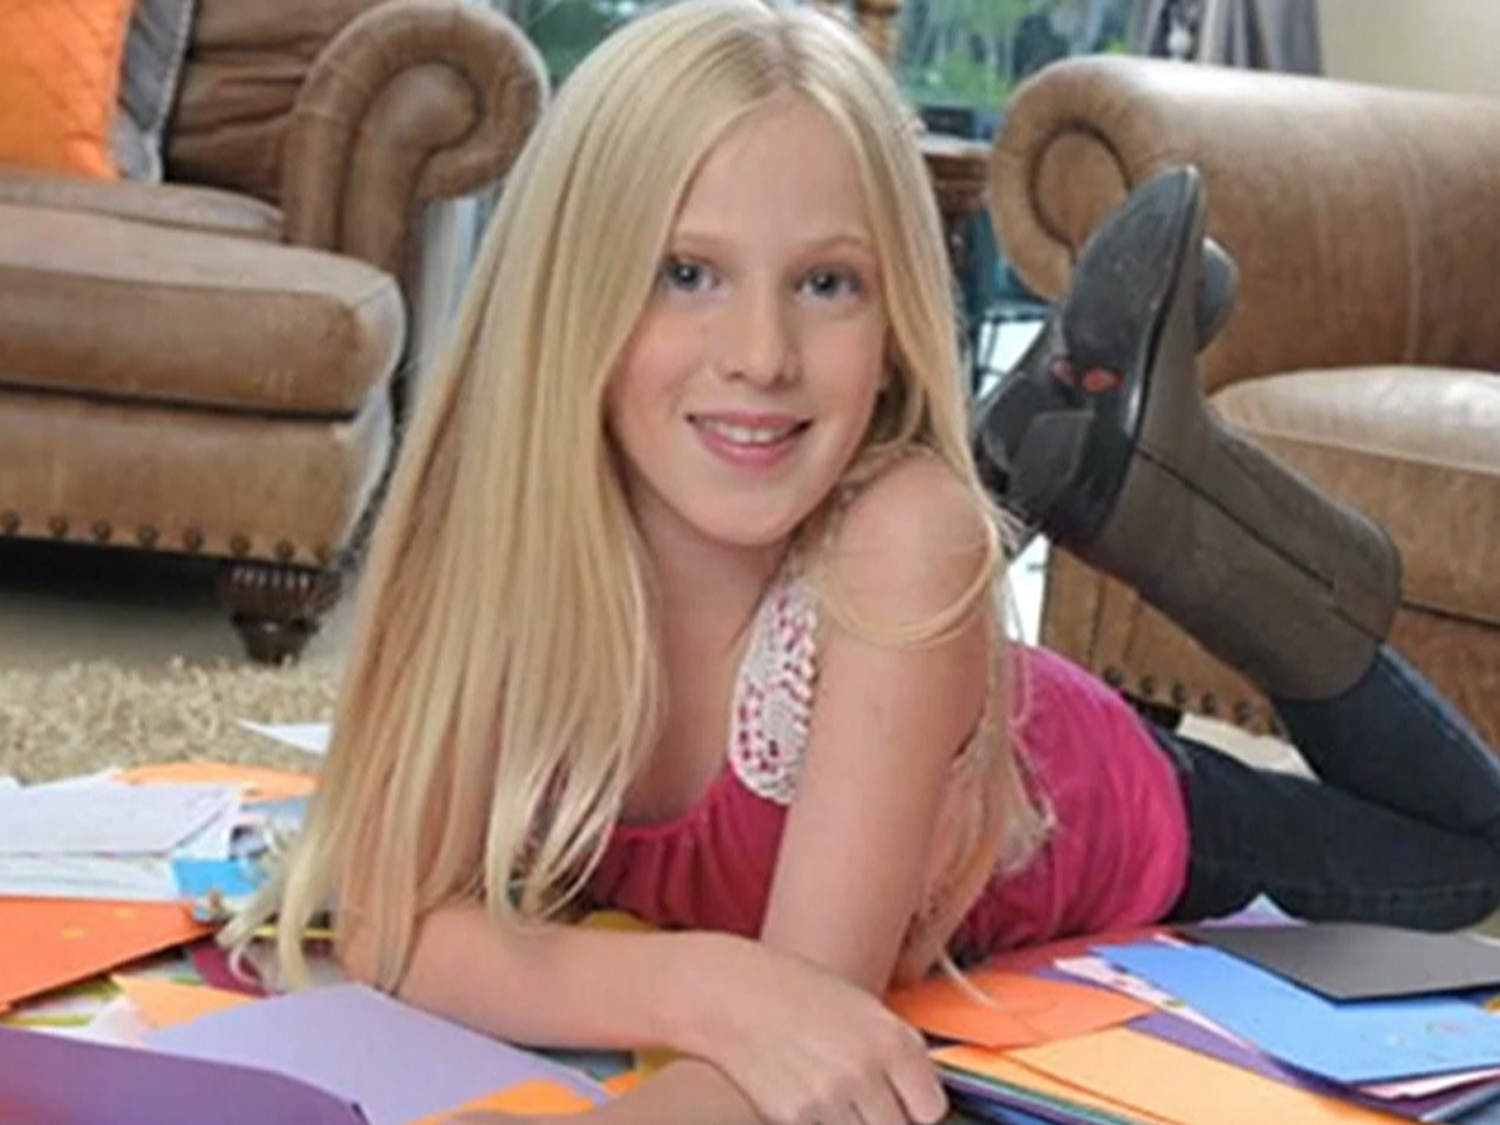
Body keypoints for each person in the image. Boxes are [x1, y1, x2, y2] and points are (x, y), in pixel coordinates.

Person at [227, 2, 1500, 1123]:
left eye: (828, 284)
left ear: (895, 325)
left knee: (1470, 853)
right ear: (569, 295)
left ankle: (1192, 525)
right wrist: (698, 981)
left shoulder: (906, 540)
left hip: (1105, 803)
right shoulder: (509, 533)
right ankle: (1086, 476)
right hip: (921, 668)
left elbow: (811, 1029)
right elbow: (391, 918)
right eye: (687, 273)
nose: (761, 353)